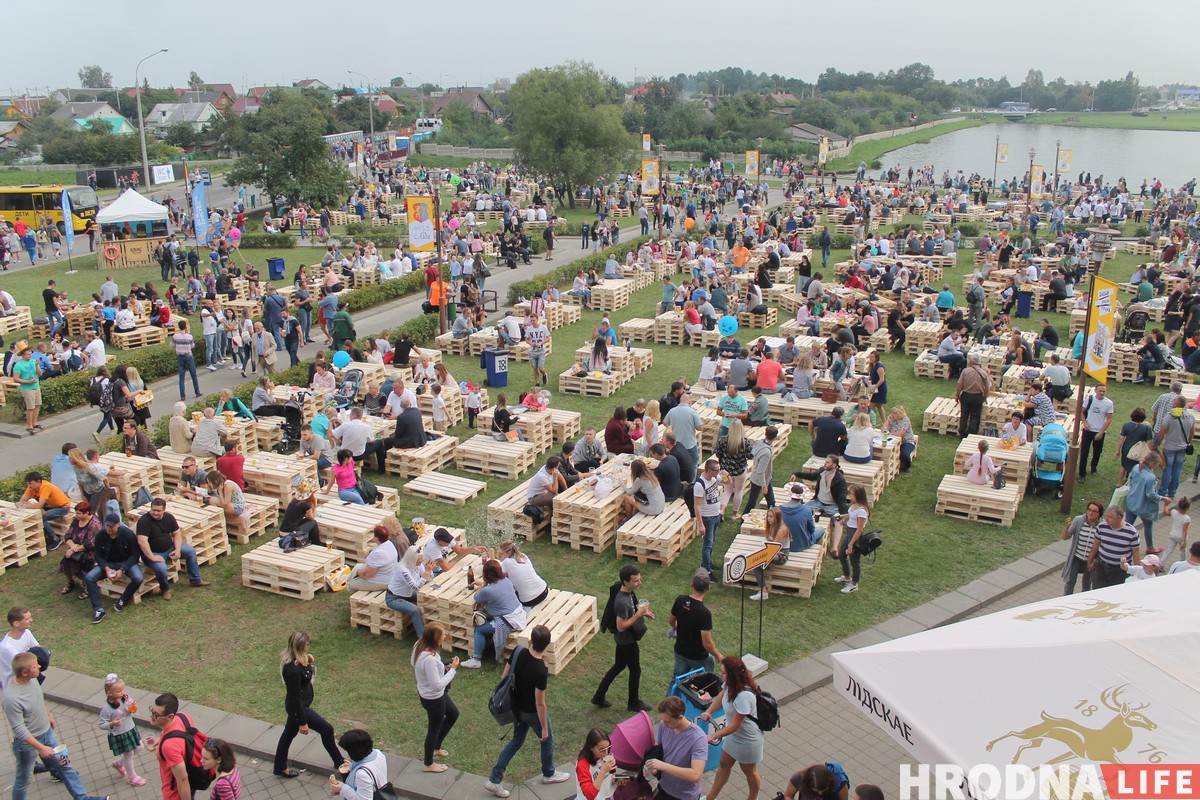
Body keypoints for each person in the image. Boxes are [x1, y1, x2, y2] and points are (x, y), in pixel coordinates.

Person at [2, 652, 110, 800]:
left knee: (65, 765)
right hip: (27, 745)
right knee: (24, 780)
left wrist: (48, 714)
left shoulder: (32, 681)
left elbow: (37, 699)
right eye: (35, 666)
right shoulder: (11, 698)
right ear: (25, 672)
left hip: (47, 734)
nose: (39, 666)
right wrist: (40, 747)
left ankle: (82, 798)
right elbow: (18, 729)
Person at [484, 625, 567, 797]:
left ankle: (494, 779)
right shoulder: (540, 670)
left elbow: (504, 677)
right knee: (547, 740)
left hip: (516, 709)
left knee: (516, 742)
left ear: (531, 640)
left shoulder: (518, 652)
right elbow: (540, 704)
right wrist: (544, 727)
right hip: (531, 712)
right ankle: (549, 773)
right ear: (547, 645)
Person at [272, 632, 347, 778]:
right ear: (301, 646)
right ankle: (338, 761)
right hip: (298, 708)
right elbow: (296, 698)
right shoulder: (293, 670)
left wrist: (308, 660)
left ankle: (279, 767)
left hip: (297, 707)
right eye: (308, 644)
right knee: (326, 729)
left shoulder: (296, 661)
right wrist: (303, 722)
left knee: (288, 735)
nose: (309, 646)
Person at [698, 656, 763, 800]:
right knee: (724, 764)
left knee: (749, 771)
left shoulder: (744, 697)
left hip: (748, 741)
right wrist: (709, 711)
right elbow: (722, 695)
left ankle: (752, 798)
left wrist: (714, 736)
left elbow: (736, 725)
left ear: (733, 675)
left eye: (724, 673)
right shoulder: (730, 685)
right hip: (734, 737)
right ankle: (710, 797)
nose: (721, 675)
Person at [593, 564, 653, 712]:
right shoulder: (622, 601)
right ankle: (633, 703)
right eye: (636, 581)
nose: (639, 583)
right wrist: (639, 614)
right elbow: (621, 626)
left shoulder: (626, 592)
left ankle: (598, 697)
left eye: (639, 579)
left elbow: (630, 610)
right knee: (635, 670)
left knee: (618, 666)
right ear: (626, 582)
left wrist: (643, 612)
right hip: (627, 641)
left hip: (622, 640)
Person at [136, 497, 211, 599]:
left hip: (169, 548)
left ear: (164, 510)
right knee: (161, 569)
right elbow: (142, 541)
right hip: (153, 553)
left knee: (191, 551)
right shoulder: (144, 521)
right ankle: (165, 589)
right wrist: (152, 557)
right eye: (153, 510)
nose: (155, 513)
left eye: (158, 511)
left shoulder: (169, 517)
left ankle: (195, 580)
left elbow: (176, 534)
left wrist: (177, 549)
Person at [411, 624, 459, 773]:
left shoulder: (419, 645)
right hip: (433, 699)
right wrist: (452, 670)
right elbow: (437, 685)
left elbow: (414, 663)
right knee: (433, 729)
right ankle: (428, 763)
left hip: (432, 694)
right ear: (435, 640)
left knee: (453, 714)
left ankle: (436, 747)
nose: (445, 637)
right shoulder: (429, 660)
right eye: (443, 635)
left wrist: (441, 667)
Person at [462, 559, 524, 669]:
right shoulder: (506, 581)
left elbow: (477, 597)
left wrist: (483, 585)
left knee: (479, 628)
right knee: (488, 618)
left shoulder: (488, 590)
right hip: (519, 614)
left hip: (507, 621)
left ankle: (476, 659)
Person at [645, 696, 708, 800]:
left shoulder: (698, 738)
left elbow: (695, 775)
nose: (665, 724)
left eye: (668, 721)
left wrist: (663, 766)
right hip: (663, 788)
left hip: (685, 796)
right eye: (663, 720)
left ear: (680, 717)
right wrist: (654, 768)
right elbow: (658, 749)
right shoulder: (663, 725)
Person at [85, 513, 143, 620]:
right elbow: (98, 555)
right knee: (89, 578)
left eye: (111, 526)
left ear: (118, 525)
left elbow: (135, 555)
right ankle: (98, 609)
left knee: (138, 578)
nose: (108, 528)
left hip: (125, 563)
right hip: (109, 563)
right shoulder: (100, 535)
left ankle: (123, 600)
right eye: (106, 525)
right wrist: (106, 568)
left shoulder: (128, 534)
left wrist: (123, 569)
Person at [669, 568, 723, 677]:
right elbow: (707, 643)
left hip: (680, 651)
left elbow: (671, 621)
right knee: (707, 684)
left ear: (692, 585)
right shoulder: (704, 613)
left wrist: (678, 627)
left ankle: (672, 694)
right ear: (708, 588)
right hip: (698, 657)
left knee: (677, 681)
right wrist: (718, 655)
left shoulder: (680, 600)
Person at [99, 673, 146, 786]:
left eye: (122, 690)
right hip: (120, 734)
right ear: (109, 693)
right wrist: (111, 724)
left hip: (130, 729)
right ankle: (132, 777)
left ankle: (119, 764)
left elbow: (130, 709)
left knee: (139, 747)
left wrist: (133, 708)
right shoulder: (106, 708)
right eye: (119, 691)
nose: (122, 692)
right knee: (128, 754)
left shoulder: (125, 698)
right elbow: (101, 724)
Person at [1089, 505, 1143, 589]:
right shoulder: (1101, 526)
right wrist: (1090, 561)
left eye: (1109, 517)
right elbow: (1095, 545)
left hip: (1120, 570)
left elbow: (1136, 553)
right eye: (1106, 516)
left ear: (1119, 518)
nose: (1106, 518)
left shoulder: (1131, 532)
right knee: (1097, 591)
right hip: (1101, 567)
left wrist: (1137, 572)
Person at [1153, 395, 1194, 500]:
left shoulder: (1170, 416)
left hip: (1170, 447)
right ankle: (1172, 492)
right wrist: (1188, 442)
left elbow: (1162, 432)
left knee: (1167, 469)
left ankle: (1162, 491)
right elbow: (1192, 432)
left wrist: (1156, 444)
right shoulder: (1190, 416)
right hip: (1182, 447)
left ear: (1176, 403)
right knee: (1177, 470)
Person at [832, 485, 870, 594]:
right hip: (849, 533)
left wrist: (851, 544)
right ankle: (847, 577)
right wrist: (844, 517)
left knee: (854, 561)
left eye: (852, 494)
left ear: (858, 495)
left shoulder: (862, 511)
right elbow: (852, 514)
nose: (850, 496)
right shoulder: (854, 505)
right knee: (841, 555)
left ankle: (854, 584)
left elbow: (859, 530)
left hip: (855, 536)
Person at [58, 501, 99, 603]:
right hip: (76, 549)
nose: (76, 515)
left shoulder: (94, 524)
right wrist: (72, 546)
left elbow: (90, 543)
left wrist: (72, 550)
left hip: (90, 552)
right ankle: (70, 582)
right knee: (65, 560)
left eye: (79, 513)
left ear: (87, 513)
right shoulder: (76, 521)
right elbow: (68, 535)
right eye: (76, 513)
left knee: (84, 563)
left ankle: (88, 587)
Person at [1126, 451, 1166, 552]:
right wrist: (1162, 498)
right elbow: (1150, 494)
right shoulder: (1151, 477)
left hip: (1131, 501)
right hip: (1143, 505)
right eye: (1157, 464)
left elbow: (1130, 480)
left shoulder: (1136, 468)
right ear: (1152, 464)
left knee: (1127, 525)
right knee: (1148, 525)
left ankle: (1122, 543)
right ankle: (1150, 547)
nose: (1158, 466)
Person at [19, 471, 70, 550]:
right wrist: (39, 508)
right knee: (37, 515)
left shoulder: (45, 487)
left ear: (39, 481)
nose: (29, 486)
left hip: (62, 507)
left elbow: (39, 505)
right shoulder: (31, 488)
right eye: (28, 484)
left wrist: (27, 506)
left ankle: (55, 539)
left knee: (42, 518)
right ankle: (46, 537)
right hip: (50, 506)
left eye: (31, 483)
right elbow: (21, 501)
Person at [694, 459, 724, 580]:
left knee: (712, 542)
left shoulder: (714, 478)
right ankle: (706, 569)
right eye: (717, 470)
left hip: (716, 515)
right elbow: (697, 505)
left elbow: (729, 483)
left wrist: (726, 476)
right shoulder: (700, 484)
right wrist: (701, 525)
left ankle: (708, 563)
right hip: (708, 518)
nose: (719, 472)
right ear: (709, 470)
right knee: (708, 544)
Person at [345, 525, 399, 593]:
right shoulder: (389, 544)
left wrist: (357, 572)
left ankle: (358, 599)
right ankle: (349, 578)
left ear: (377, 537)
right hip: (390, 574)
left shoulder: (379, 553)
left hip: (382, 581)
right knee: (358, 566)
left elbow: (368, 574)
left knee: (351, 585)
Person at [1078, 384, 1114, 483]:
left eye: (1104, 391)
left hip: (1099, 431)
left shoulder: (1108, 403)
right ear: (1095, 390)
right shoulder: (1089, 400)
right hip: (1088, 430)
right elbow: (1081, 411)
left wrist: (1101, 432)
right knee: (1084, 452)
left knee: (1097, 452)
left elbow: (1109, 419)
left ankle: (1094, 466)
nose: (1102, 393)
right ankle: (1082, 474)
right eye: (1100, 391)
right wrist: (1085, 423)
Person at [498, 541, 549, 607]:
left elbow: (502, 579)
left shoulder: (506, 562)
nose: (501, 555)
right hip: (544, 591)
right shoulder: (523, 556)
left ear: (509, 553)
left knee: (508, 592)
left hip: (529, 601)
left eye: (502, 553)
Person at [955, 353, 993, 439]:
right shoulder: (983, 373)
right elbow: (987, 388)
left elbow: (960, 385)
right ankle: (971, 433)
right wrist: (985, 397)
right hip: (977, 396)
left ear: (972, 362)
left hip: (966, 395)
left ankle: (962, 432)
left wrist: (957, 395)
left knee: (964, 414)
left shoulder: (965, 371)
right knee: (975, 416)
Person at [784, 762, 852, 800]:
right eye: (816, 790)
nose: (820, 793)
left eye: (824, 789)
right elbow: (788, 795)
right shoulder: (799, 778)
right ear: (807, 783)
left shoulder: (839, 782)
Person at [884, 407, 917, 472]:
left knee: (904, 455)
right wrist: (887, 420)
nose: (892, 414)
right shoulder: (892, 420)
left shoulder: (906, 420)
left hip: (906, 441)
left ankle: (907, 466)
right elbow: (883, 430)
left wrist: (889, 434)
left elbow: (901, 433)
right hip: (893, 441)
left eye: (894, 413)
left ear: (899, 414)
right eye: (892, 412)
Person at [1163, 496, 1191, 566]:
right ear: (1188, 508)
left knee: (1169, 550)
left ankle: (1160, 563)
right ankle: (1183, 564)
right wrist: (1184, 541)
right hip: (1181, 537)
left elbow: (1166, 513)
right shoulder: (1187, 519)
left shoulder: (1173, 512)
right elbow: (1184, 530)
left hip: (1172, 535)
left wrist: (1166, 505)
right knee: (1183, 551)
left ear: (1178, 505)